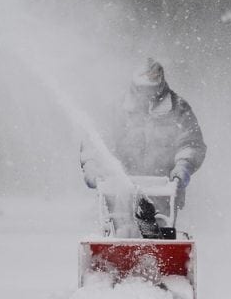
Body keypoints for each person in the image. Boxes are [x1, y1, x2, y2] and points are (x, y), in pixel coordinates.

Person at [80, 58, 206, 210]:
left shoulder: (178, 109)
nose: (147, 94)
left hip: (164, 192)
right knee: (121, 229)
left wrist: (183, 167)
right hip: (120, 191)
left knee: (160, 229)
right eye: (143, 89)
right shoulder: (116, 109)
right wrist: (92, 166)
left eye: (152, 89)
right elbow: (97, 141)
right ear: (134, 86)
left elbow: (191, 143)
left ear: (161, 85)